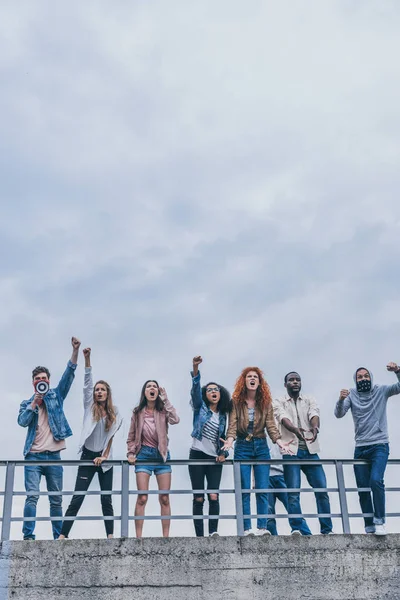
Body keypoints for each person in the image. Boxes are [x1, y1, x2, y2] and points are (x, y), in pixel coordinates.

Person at [18, 337, 80, 540]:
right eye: (37, 379)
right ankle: (28, 537)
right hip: (33, 457)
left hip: (53, 456)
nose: (41, 381)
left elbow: (69, 376)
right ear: (33, 382)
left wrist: (75, 350)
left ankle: (57, 538)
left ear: (48, 381)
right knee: (32, 497)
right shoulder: (27, 402)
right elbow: (22, 421)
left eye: (44, 378)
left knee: (56, 500)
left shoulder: (56, 397)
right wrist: (34, 403)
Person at [59, 347, 122, 539]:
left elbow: (111, 436)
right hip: (87, 457)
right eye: (97, 390)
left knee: (106, 499)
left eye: (102, 390)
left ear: (107, 393)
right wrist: (87, 359)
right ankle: (63, 535)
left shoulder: (115, 413)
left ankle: (110, 536)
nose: (99, 392)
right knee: (78, 497)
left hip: (105, 459)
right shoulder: (89, 407)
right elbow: (87, 384)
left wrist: (104, 456)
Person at [222, 367, 293, 536]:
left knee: (262, 488)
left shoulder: (265, 402)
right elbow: (232, 424)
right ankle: (246, 529)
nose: (252, 379)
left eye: (255, 377)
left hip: (261, 446)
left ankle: (262, 527)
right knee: (244, 489)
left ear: (259, 382)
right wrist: (230, 440)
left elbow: (271, 426)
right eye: (249, 377)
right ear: (244, 381)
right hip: (242, 446)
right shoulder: (236, 402)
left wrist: (279, 442)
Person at [334, 362, 400, 536]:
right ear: (355, 380)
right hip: (361, 447)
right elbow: (339, 414)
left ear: (371, 377)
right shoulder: (352, 394)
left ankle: (380, 521)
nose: (363, 379)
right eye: (360, 377)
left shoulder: (381, 391)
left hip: (379, 445)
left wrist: (397, 371)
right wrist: (341, 399)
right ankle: (369, 525)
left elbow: (399, 387)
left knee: (376, 481)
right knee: (363, 487)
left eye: (366, 376)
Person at [274, 371, 333, 535]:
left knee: (321, 489)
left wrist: (315, 427)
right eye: (291, 380)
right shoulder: (279, 401)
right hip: (291, 451)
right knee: (293, 492)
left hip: (310, 450)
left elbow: (314, 413)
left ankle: (327, 529)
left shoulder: (309, 399)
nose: (295, 382)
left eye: (297, 380)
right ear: (285, 385)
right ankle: (297, 528)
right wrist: (294, 429)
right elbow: (282, 417)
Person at [127, 381, 179, 538]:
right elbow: (131, 436)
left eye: (154, 386)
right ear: (144, 392)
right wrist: (130, 453)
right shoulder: (137, 413)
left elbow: (175, 419)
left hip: (161, 456)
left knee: (164, 497)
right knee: (142, 497)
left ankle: (165, 537)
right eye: (149, 386)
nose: (152, 388)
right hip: (143, 455)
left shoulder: (163, 411)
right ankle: (138, 537)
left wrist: (166, 399)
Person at [189, 355, 231, 537]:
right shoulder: (200, 408)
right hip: (197, 454)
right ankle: (199, 536)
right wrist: (196, 370)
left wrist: (224, 454)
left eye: (216, 390)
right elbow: (195, 392)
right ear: (206, 395)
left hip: (214, 459)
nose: (213, 392)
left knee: (213, 495)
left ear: (220, 394)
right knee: (199, 497)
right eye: (210, 390)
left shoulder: (223, 415)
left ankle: (213, 532)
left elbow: (225, 439)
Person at [266, 439, 297, 536]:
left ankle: (302, 532)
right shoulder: (260, 432)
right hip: (266, 476)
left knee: (292, 505)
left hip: (282, 475)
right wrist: (254, 481)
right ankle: (273, 539)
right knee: (268, 512)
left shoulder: (283, 431)